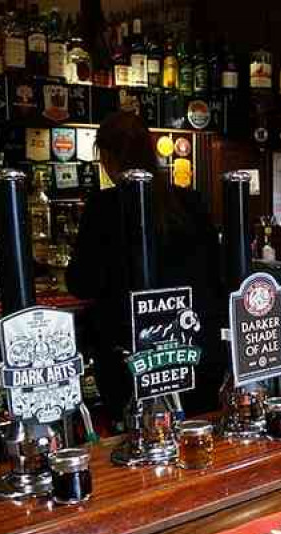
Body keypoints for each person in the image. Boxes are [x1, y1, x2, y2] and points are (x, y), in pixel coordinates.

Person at [67, 112, 224, 424]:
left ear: (107, 157)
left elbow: (82, 283)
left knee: (141, 439)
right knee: (198, 432)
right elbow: (217, 275)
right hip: (195, 348)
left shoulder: (104, 206)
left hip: (129, 357)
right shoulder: (191, 201)